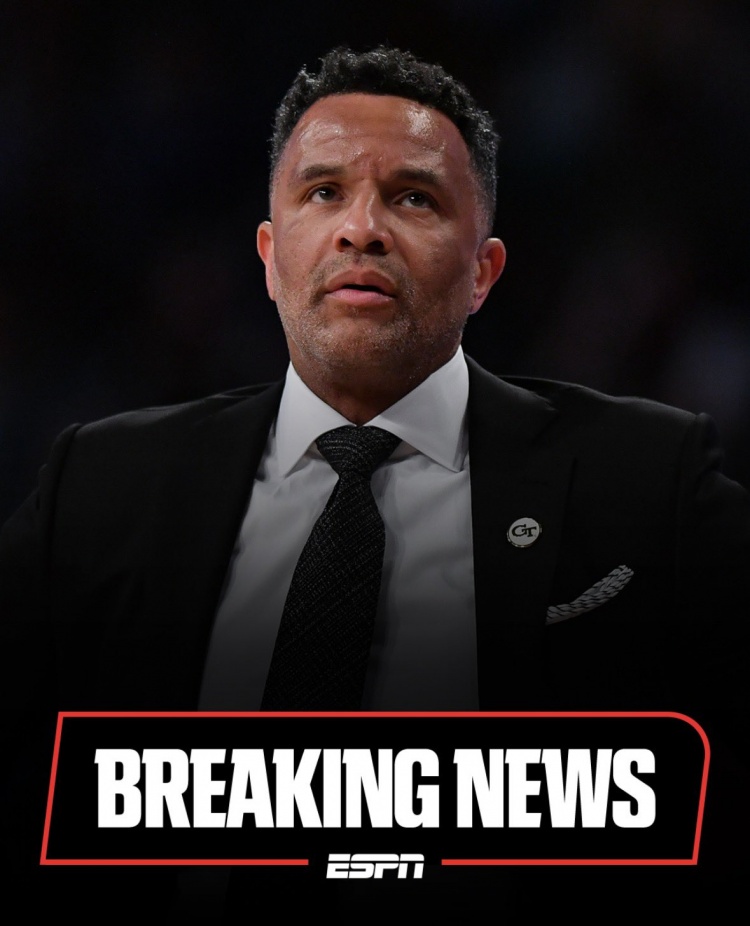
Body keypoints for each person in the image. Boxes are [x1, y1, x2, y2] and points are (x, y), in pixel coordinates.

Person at [1, 45, 748, 920]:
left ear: (483, 271)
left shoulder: (646, 481)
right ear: (270, 257)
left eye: (414, 198)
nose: (363, 229)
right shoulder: (105, 488)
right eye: (324, 193)